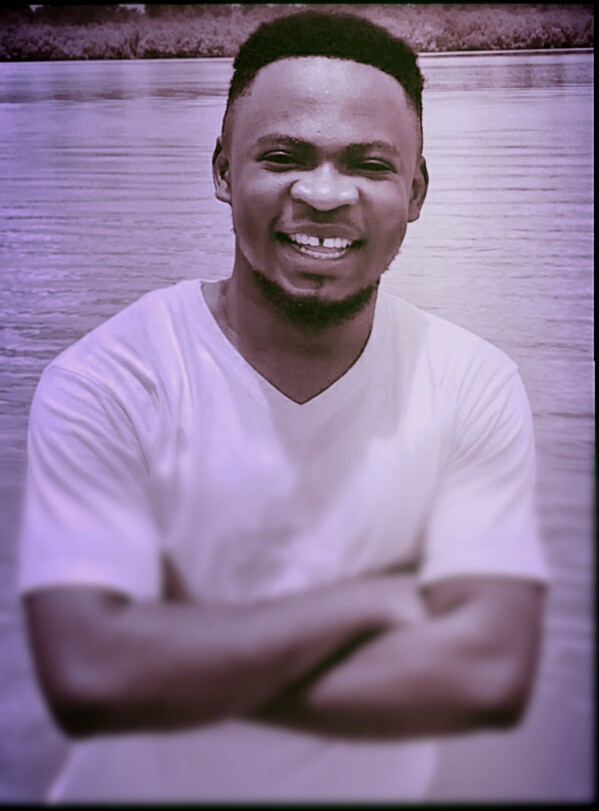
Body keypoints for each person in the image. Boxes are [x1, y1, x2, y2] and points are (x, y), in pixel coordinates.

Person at [18, 10, 550, 802]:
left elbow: (488, 674)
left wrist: (171, 662)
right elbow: (91, 676)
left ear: (415, 191)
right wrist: (370, 602)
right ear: (223, 172)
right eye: (283, 157)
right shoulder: (111, 381)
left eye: (368, 164)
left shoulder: (470, 382)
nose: (323, 194)